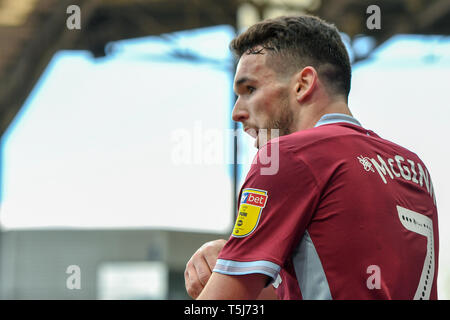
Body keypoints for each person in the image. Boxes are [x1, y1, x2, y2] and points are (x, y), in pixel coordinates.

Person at [184, 15, 439, 300]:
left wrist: (225, 279)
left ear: (303, 84)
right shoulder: (414, 167)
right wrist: (232, 265)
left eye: (250, 90)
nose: (237, 113)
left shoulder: (287, 156)